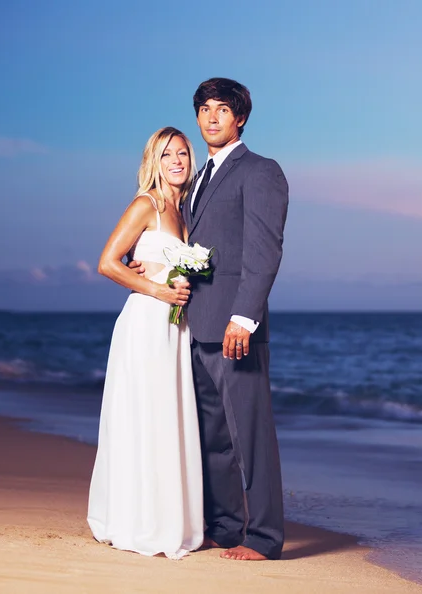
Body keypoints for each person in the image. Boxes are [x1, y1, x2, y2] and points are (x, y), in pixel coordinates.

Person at [132, 78, 289, 560]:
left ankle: (264, 538)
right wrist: (155, 265)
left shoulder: (261, 171)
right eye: (204, 109)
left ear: (240, 117)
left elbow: (264, 251)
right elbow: (197, 251)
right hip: (195, 326)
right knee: (214, 438)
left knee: (251, 435)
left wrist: (245, 317)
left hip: (234, 329)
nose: (212, 117)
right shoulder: (197, 180)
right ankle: (225, 526)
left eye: (223, 109)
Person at [87, 127, 203, 559]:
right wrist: (157, 289)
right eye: (167, 154)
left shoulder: (185, 211)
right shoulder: (147, 204)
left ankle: (170, 519)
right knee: (146, 416)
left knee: (169, 416)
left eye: (183, 153)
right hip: (147, 323)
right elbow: (106, 263)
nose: (177, 161)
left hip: (175, 326)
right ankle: (137, 521)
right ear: (153, 160)